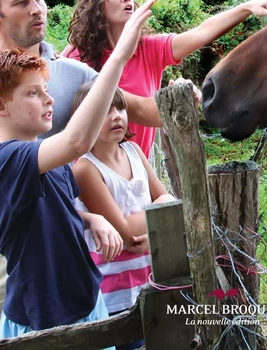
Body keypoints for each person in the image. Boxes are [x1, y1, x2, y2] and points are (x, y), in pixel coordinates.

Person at [0, 0, 161, 313]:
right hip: (23, 287)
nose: (37, 8)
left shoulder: (69, 73)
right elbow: (74, 143)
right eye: (21, 2)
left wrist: (211, 101)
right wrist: (119, 56)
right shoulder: (12, 151)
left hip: (78, 280)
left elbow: (138, 109)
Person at [66, 0, 267, 157]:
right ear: (97, 7)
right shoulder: (79, 59)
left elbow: (201, 32)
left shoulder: (148, 49)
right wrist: (180, 99)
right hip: (90, 174)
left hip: (135, 171)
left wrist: (246, 7)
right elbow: (146, 112)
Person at [72, 81, 175, 350]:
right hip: (112, 293)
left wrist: (164, 207)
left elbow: (167, 202)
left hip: (148, 279)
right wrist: (160, 210)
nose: (117, 116)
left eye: (120, 108)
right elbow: (126, 233)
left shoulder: (135, 151)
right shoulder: (85, 169)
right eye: (106, 110)